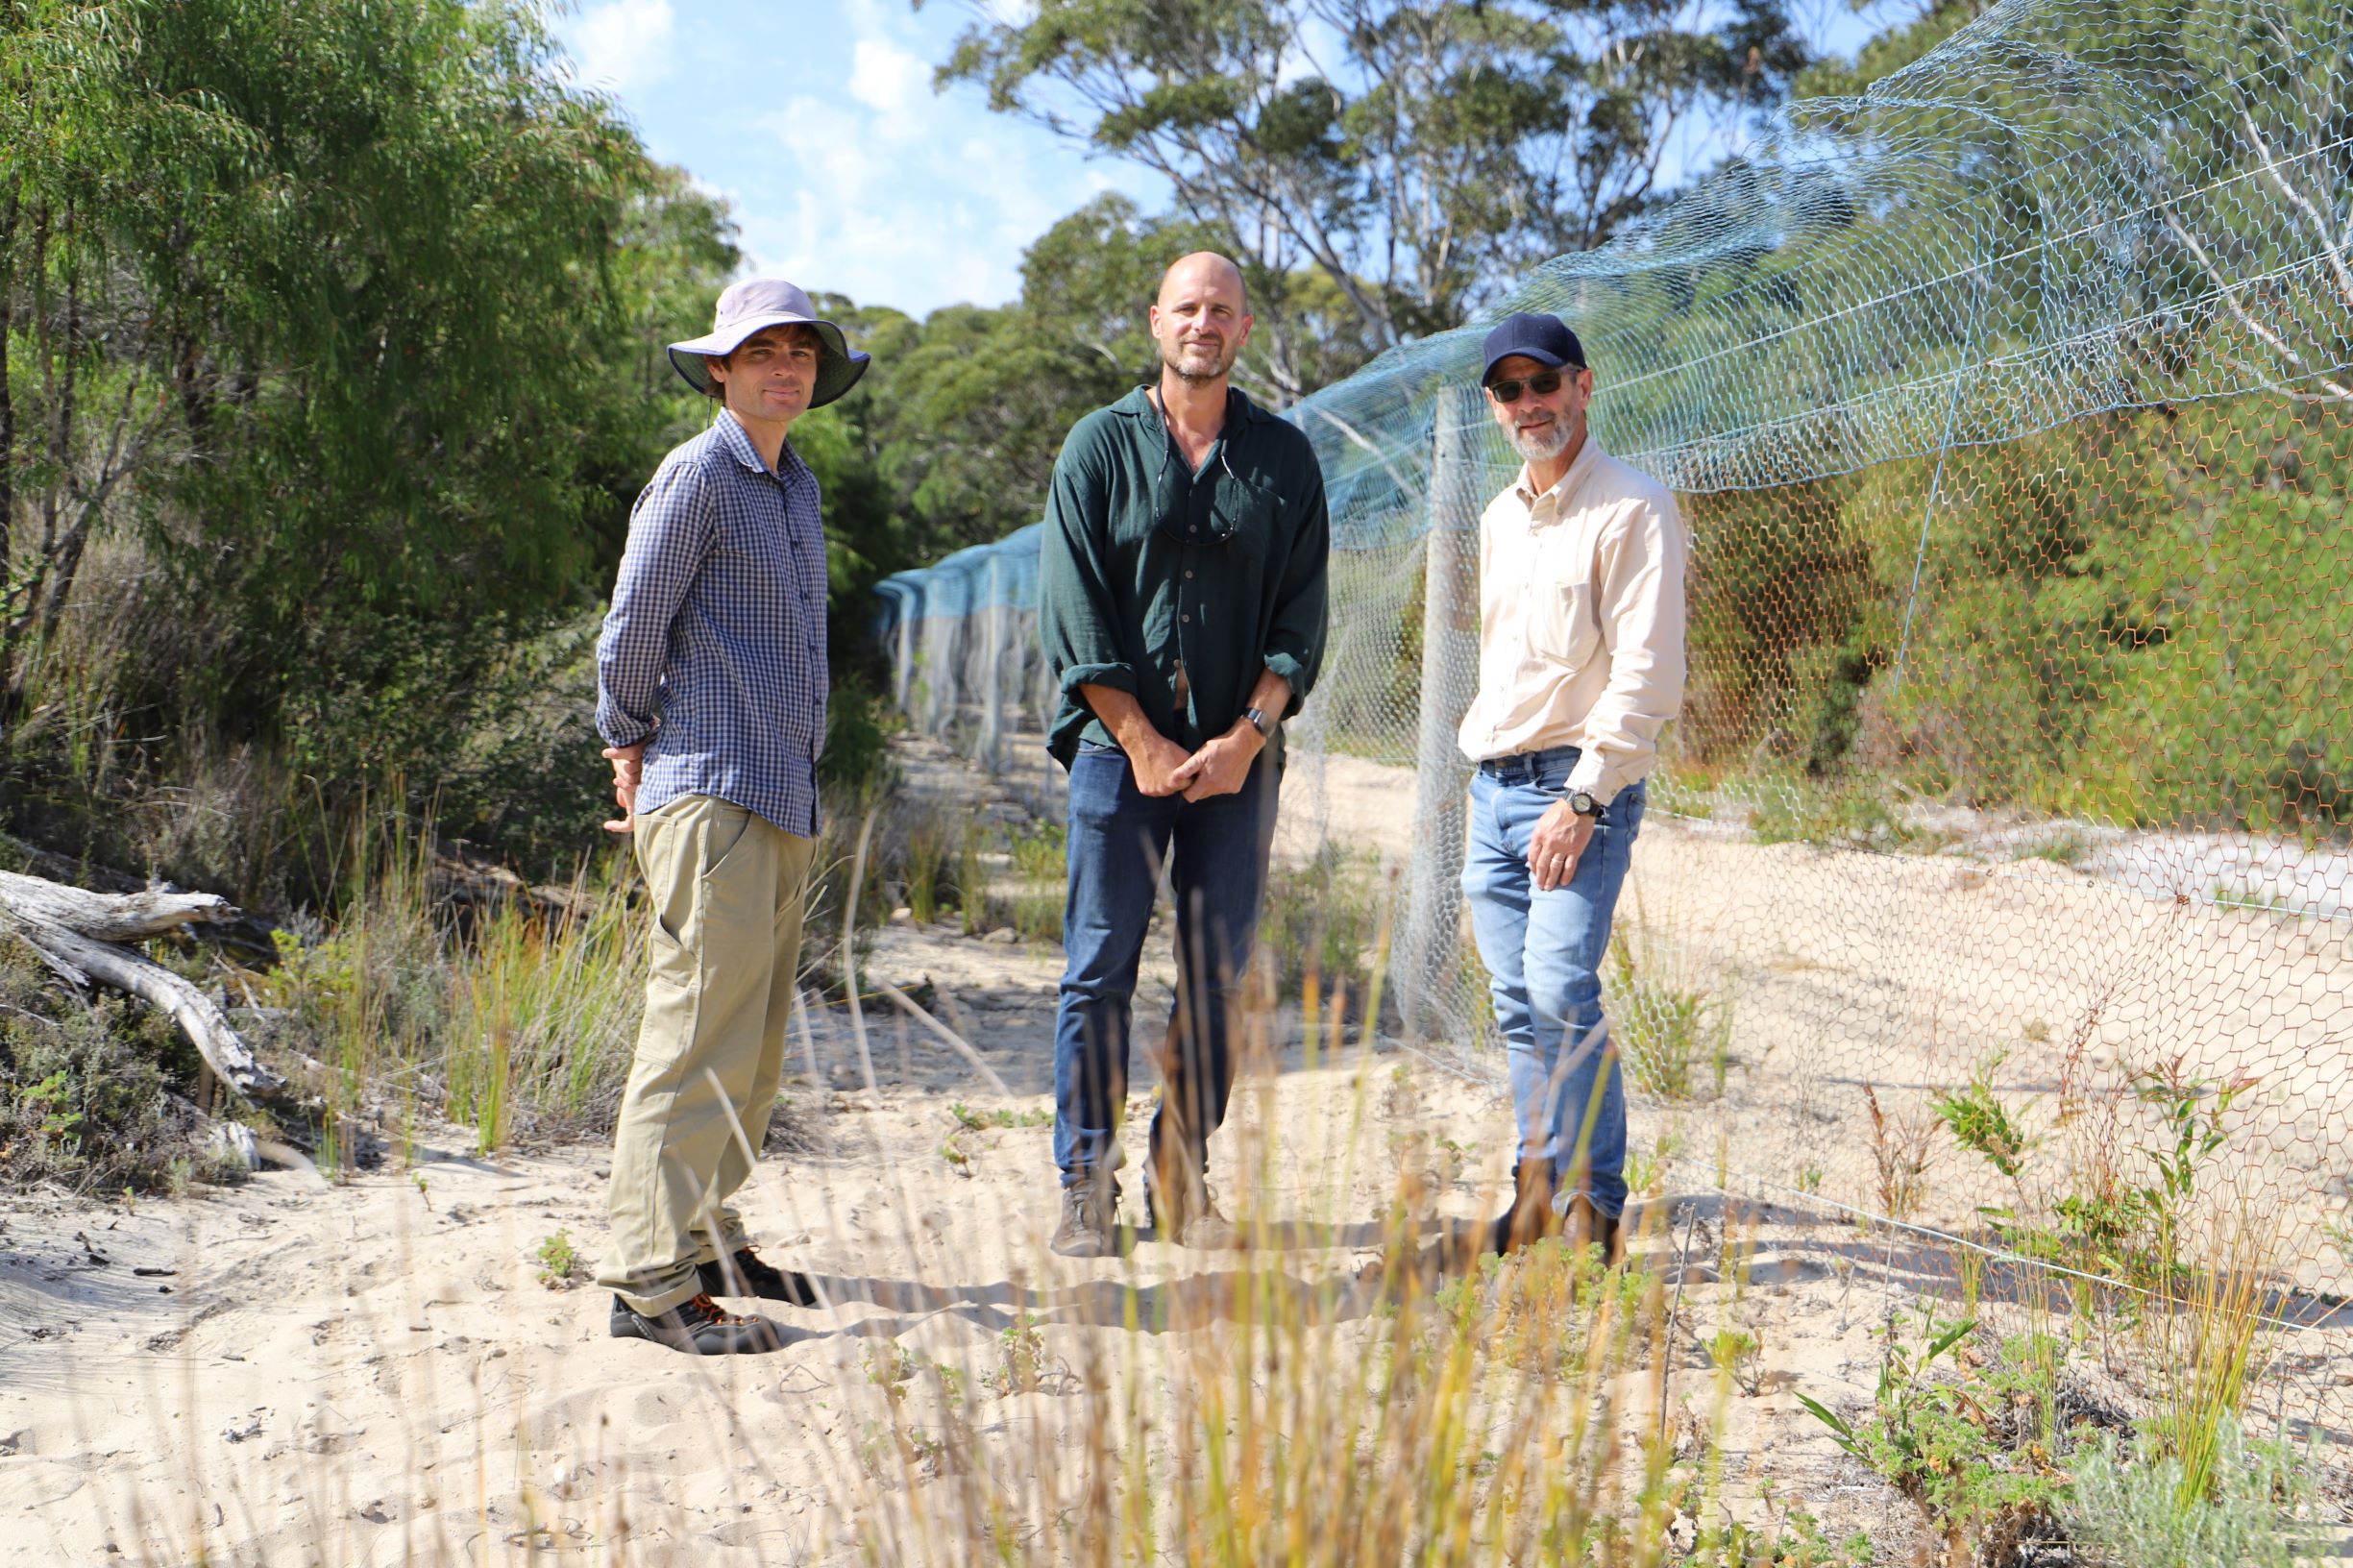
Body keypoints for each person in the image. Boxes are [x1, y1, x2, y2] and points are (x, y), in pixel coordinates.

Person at [592, 279, 869, 1353]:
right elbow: (633, 623)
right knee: (690, 1035)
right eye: (763, 351)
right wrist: (626, 738)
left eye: (800, 352)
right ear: (720, 367)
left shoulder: (792, 485)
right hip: (710, 787)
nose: (785, 368)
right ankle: (646, 1284)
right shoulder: (698, 474)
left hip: (779, 792)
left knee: (748, 1048)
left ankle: (706, 1233)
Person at [1037, 253, 1331, 1257]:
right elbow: (1074, 611)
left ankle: (1179, 1174)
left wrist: (1248, 736)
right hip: (1121, 759)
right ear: (1154, 321)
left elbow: (1301, 614)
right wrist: (1140, 739)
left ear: (1245, 330)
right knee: (1098, 968)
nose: (1203, 324)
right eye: (1186, 309)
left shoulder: (1283, 458)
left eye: (1222, 311)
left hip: (1237, 762)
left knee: (1212, 976)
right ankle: (1084, 1181)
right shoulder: (1096, 448)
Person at [1457, 311, 1687, 1263]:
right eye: (1508, 391)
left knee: (1558, 987)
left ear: (1582, 386)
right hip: (1493, 789)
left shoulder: (1633, 508)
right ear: (1494, 407)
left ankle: (1595, 1209)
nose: (1528, 405)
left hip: (1573, 791)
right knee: (1515, 1003)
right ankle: (1534, 1189)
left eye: (1542, 384)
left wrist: (1584, 800)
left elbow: (1645, 675)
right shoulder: (1497, 518)